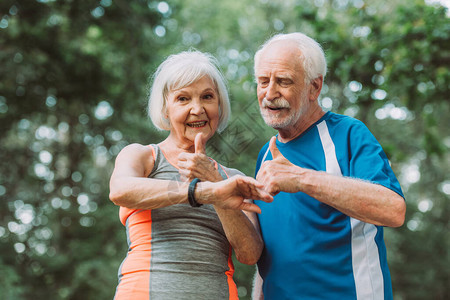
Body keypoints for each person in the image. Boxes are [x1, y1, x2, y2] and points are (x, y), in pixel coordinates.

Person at [251, 33, 406, 299]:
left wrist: (301, 178)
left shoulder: (348, 134)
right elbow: (273, 251)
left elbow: (393, 209)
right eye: (263, 81)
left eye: (284, 81)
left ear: (314, 87)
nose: (270, 93)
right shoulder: (266, 154)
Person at [109, 50, 273, 299]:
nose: (198, 109)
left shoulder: (232, 177)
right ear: (165, 108)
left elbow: (250, 254)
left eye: (207, 97)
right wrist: (200, 191)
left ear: (219, 104)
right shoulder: (142, 156)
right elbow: (120, 190)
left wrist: (216, 183)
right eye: (183, 99)